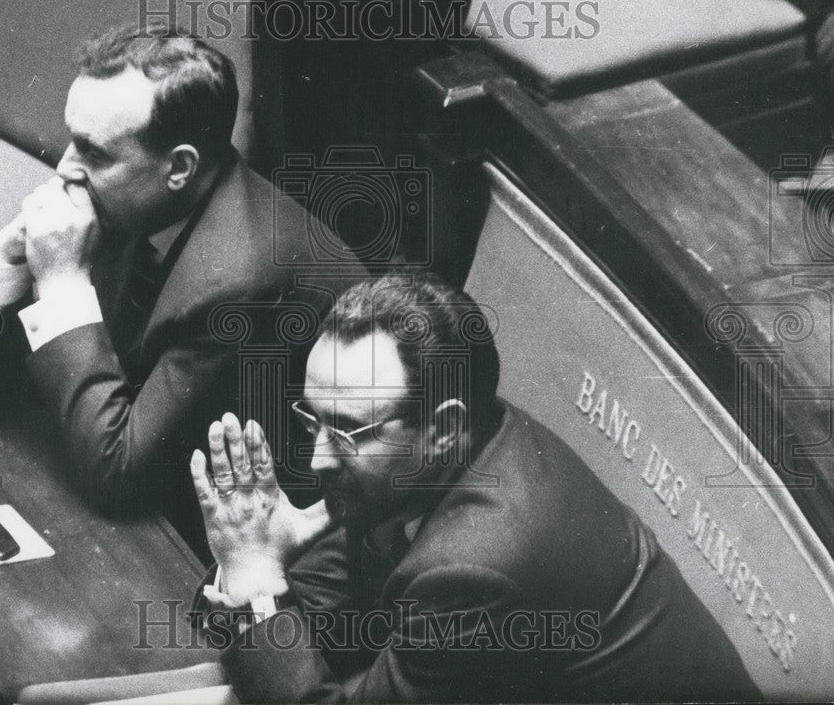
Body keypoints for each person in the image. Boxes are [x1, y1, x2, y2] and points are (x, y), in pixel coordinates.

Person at [189, 273, 762, 702]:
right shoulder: (440, 454)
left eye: (345, 431)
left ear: (442, 430)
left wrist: (259, 582)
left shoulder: (478, 565)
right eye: (312, 419)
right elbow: (328, 607)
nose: (316, 459)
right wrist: (267, 557)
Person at [0, 24, 363, 557]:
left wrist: (60, 284)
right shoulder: (138, 204)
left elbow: (120, 478)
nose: (65, 171)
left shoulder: (240, 284)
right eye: (70, 139)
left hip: (235, 544)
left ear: (179, 167)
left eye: (94, 154)